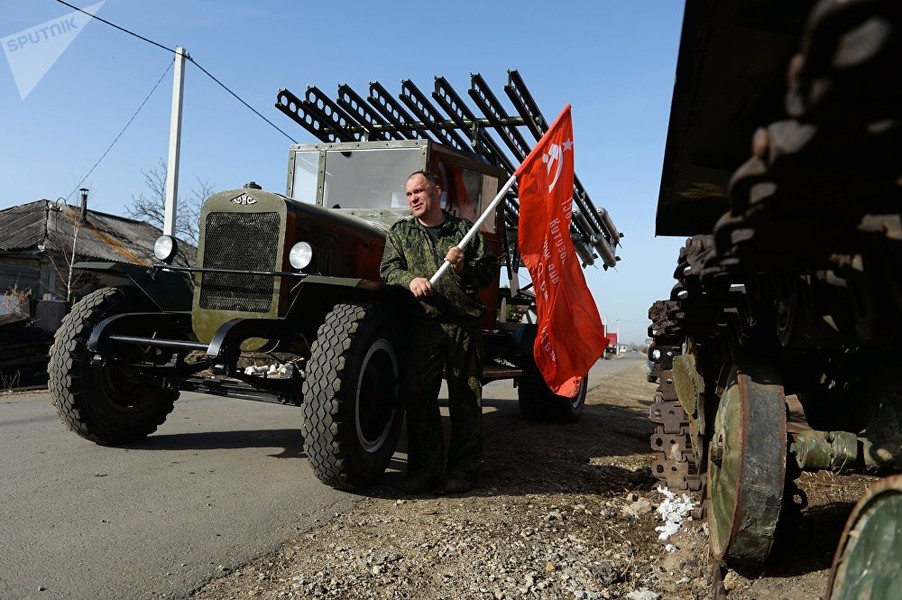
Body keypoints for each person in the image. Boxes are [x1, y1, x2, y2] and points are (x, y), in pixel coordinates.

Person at [380, 170, 498, 494]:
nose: (414, 198)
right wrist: (410, 280)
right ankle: (425, 471)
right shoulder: (400, 233)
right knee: (420, 400)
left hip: (462, 324)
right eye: (409, 194)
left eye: (419, 191)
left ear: (437, 191)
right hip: (424, 324)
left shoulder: (464, 231)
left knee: (465, 400)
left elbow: (488, 270)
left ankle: (463, 471)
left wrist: (463, 266)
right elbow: (389, 269)